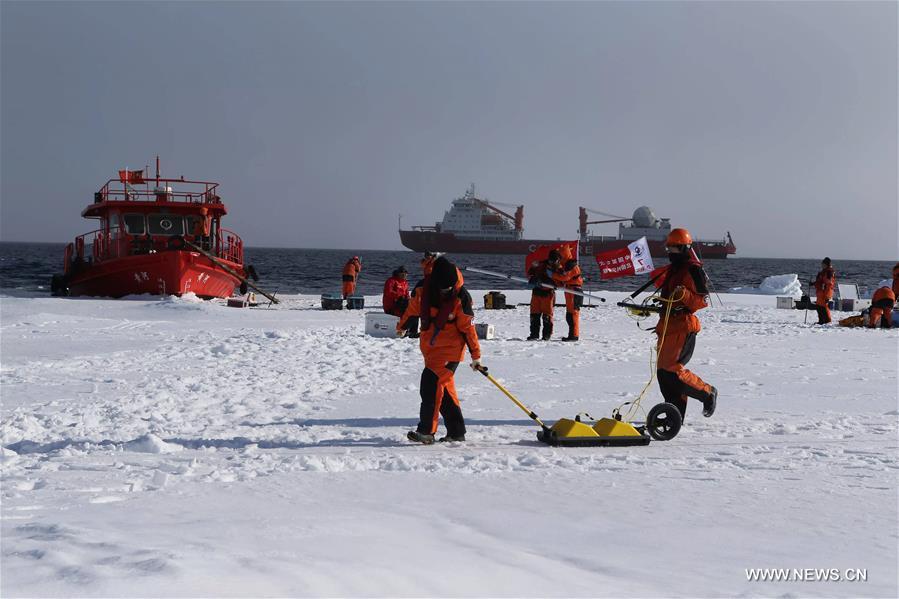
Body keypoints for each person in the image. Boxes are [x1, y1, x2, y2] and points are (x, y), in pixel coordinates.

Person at [398, 256, 482, 444]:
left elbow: (469, 329)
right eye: (443, 288)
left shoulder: (462, 297)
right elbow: (412, 310)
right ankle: (456, 431)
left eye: (450, 288)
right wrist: (402, 326)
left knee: (429, 386)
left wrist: (476, 356)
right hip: (430, 350)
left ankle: (427, 431)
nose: (447, 291)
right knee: (442, 392)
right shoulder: (422, 289)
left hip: (450, 352)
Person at [653, 228, 717, 421]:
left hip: (683, 327)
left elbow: (702, 300)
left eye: (673, 249)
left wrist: (684, 294)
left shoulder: (693, 269)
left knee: (672, 371)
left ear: (683, 248)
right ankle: (675, 414)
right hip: (667, 326)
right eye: (668, 249)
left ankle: (707, 392)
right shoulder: (674, 269)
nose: (670, 253)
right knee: (664, 374)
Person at [552, 246, 583, 341]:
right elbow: (563, 279)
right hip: (569, 290)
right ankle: (571, 335)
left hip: (574, 291)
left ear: (564, 254)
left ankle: (574, 335)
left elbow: (565, 278)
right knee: (569, 314)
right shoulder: (566, 265)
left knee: (573, 314)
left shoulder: (573, 266)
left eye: (560, 256)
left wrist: (553, 275)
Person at [527, 249, 560, 340]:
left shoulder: (558, 268)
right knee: (534, 315)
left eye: (554, 260)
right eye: (551, 259)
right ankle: (534, 334)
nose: (552, 262)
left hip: (548, 294)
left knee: (547, 316)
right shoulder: (540, 264)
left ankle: (546, 335)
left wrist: (548, 281)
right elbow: (530, 273)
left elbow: (560, 281)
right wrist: (534, 277)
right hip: (537, 292)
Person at [812, 257, 836, 325]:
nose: (821, 265)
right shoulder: (824, 272)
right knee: (819, 307)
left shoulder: (829, 272)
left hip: (825, 293)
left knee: (823, 307)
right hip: (820, 292)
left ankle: (827, 321)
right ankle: (821, 321)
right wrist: (813, 283)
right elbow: (820, 281)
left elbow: (829, 285)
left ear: (826, 264)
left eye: (822, 263)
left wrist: (828, 296)